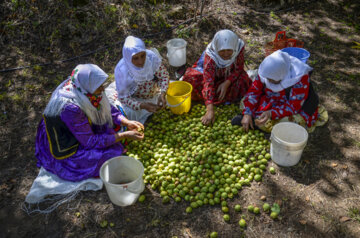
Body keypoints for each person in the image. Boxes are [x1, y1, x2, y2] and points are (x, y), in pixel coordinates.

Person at [35, 64, 144, 182]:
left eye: (102, 85)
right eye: (99, 87)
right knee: (108, 154)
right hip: (66, 139)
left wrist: (126, 122)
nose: (103, 89)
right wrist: (124, 135)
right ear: (88, 86)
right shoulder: (71, 108)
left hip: (78, 125)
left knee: (113, 126)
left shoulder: (84, 88)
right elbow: (90, 141)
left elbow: (107, 108)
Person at [231, 50, 328, 133]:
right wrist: (247, 113)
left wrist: (271, 113)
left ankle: (258, 124)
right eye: (267, 78)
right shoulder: (267, 71)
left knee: (288, 123)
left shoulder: (299, 78)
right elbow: (254, 91)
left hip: (294, 107)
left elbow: (294, 107)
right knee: (245, 102)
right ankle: (254, 119)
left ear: (282, 75)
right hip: (273, 98)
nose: (268, 81)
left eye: (272, 79)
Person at [182, 29, 252, 125]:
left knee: (243, 80)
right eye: (222, 51)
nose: (226, 54)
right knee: (192, 80)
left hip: (228, 74)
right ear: (216, 48)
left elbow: (239, 68)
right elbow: (208, 82)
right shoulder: (211, 55)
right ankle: (212, 99)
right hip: (209, 74)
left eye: (229, 50)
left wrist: (227, 83)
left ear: (234, 47)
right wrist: (210, 109)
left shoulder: (238, 47)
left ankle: (219, 96)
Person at [106, 36, 170, 124]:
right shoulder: (122, 70)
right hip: (135, 99)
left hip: (154, 93)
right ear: (128, 57)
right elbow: (124, 98)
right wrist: (142, 105)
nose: (141, 62)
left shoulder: (151, 58)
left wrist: (162, 93)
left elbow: (164, 77)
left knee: (172, 97)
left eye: (143, 56)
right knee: (125, 115)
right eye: (135, 58)